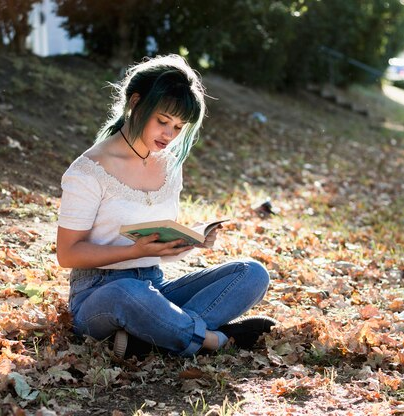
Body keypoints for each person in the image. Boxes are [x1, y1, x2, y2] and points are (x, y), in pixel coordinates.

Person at [56, 54, 274, 359]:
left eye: (178, 126)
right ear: (135, 103)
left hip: (154, 287)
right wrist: (134, 252)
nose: (169, 135)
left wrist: (190, 241)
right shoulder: (88, 170)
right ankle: (214, 341)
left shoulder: (169, 166)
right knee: (128, 294)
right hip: (99, 295)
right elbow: (67, 254)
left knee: (252, 273)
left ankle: (153, 336)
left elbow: (157, 243)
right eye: (162, 121)